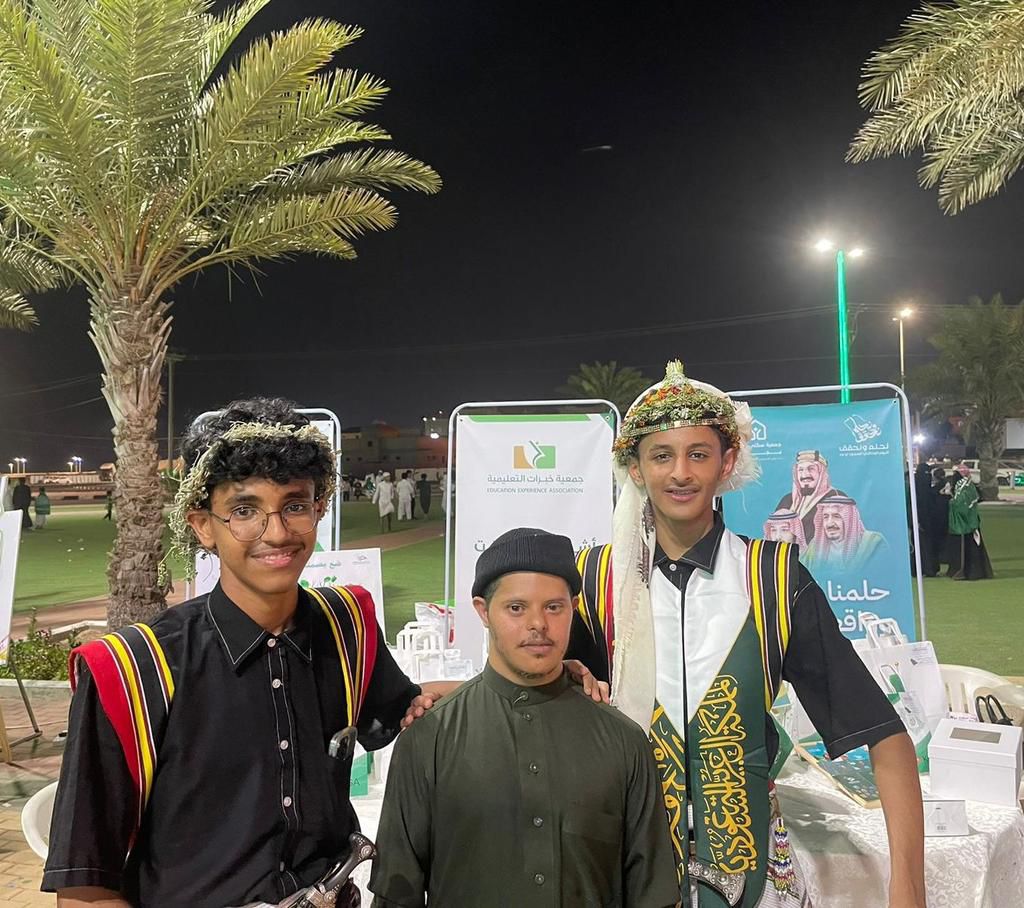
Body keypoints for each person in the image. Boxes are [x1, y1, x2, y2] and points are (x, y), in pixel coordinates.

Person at [42, 398, 459, 908]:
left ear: (318, 510)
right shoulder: (130, 671)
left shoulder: (345, 627)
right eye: (244, 511)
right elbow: (84, 887)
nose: (276, 533)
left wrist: (527, 680)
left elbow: (411, 710)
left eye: (294, 505)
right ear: (203, 525)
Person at [568, 361, 926, 908]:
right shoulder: (594, 580)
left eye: (698, 454)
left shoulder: (774, 579)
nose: (680, 473)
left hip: (752, 881)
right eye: (661, 456)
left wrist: (909, 889)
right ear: (635, 469)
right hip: (620, 873)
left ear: (727, 462)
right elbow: (533, 701)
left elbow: (881, 730)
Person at [370, 528, 680, 908]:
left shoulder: (624, 742)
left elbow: (652, 894)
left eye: (554, 607)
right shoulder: (428, 740)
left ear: (573, 608)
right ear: (483, 611)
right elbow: (396, 894)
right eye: (516, 608)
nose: (538, 624)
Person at [801, 494, 886, 574]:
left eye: (836, 516)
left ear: (849, 519)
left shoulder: (872, 543)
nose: (829, 523)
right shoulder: (815, 546)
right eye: (826, 517)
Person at [773, 450, 845, 544]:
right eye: (800, 470)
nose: (805, 475)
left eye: (811, 469)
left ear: (821, 473)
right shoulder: (787, 500)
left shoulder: (836, 497)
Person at [947, 463, 993, 581]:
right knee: (973, 547)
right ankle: (976, 571)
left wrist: (951, 503)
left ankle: (967, 572)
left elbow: (961, 504)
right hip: (968, 521)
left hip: (964, 523)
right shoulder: (967, 485)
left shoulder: (964, 486)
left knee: (968, 548)